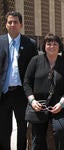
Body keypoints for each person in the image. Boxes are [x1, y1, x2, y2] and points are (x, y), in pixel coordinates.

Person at [23, 33, 64, 150]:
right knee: (37, 137)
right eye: (48, 44)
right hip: (39, 105)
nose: (52, 46)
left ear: (59, 46)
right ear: (44, 46)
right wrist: (32, 101)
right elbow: (26, 82)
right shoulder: (35, 60)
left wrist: (61, 103)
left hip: (58, 106)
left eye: (55, 44)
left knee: (61, 130)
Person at [0, 11, 37, 150]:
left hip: (21, 94)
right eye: (10, 22)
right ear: (6, 25)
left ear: (21, 25)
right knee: (3, 129)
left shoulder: (30, 43)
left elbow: (33, 70)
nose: (13, 24)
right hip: (3, 94)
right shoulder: (0, 41)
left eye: (16, 22)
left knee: (22, 128)